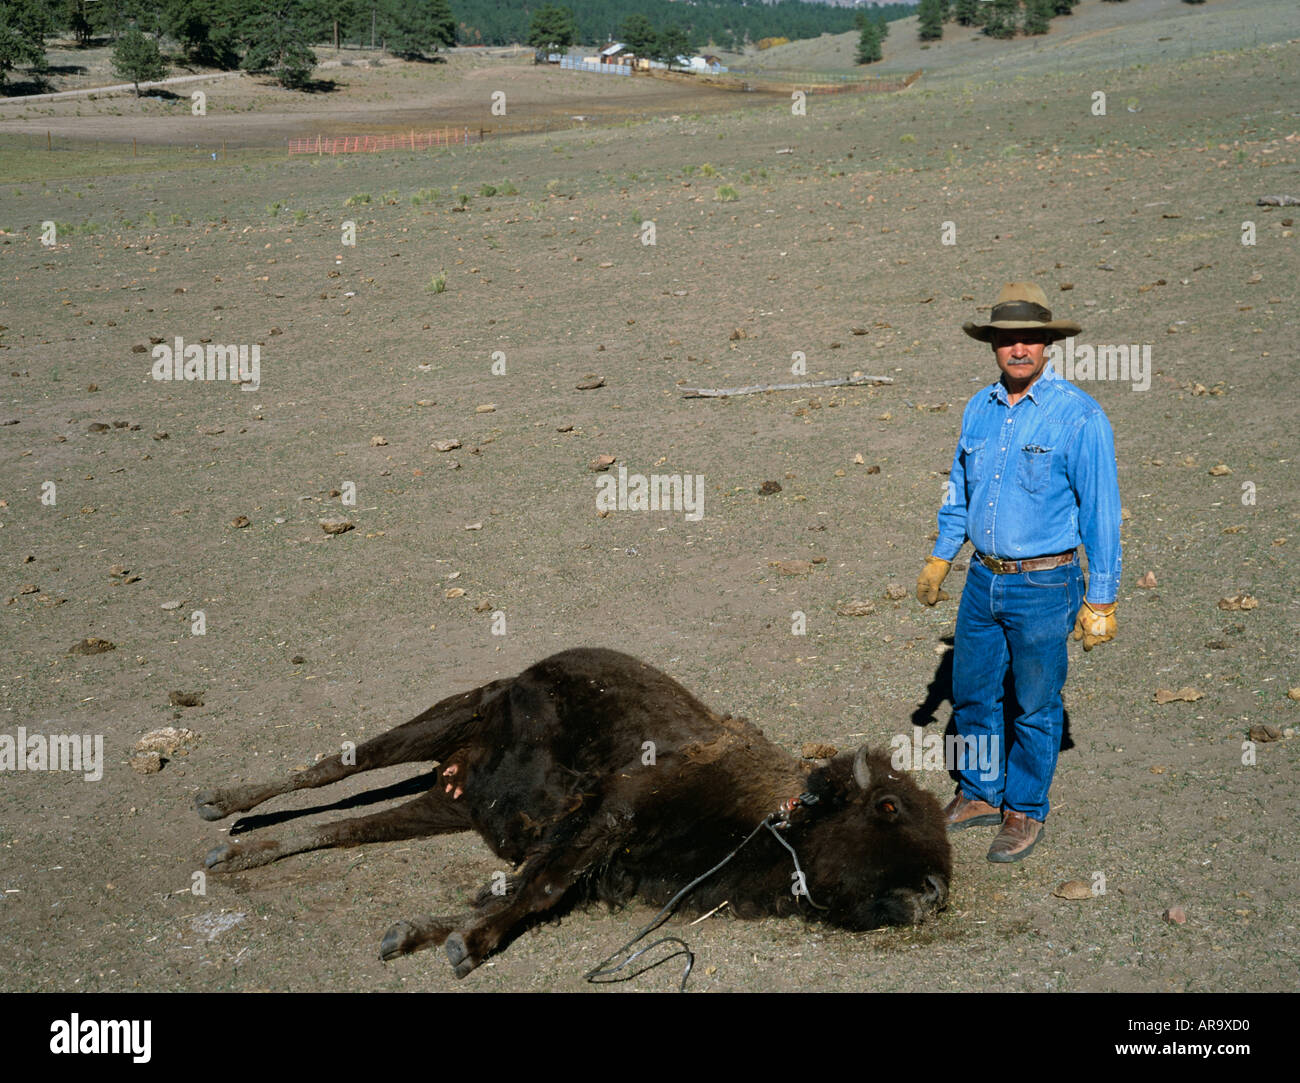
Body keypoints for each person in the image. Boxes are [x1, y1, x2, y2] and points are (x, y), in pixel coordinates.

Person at [916, 282, 1122, 862]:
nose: (1019, 349)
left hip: (1045, 583)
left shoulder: (1078, 417)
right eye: (1007, 340)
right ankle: (981, 794)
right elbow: (960, 490)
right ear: (993, 346)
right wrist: (941, 556)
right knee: (974, 694)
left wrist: (1100, 599)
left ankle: (1024, 809)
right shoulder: (978, 409)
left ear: (1049, 344)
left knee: (1034, 703)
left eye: (1030, 339)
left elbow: (1102, 514)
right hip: (983, 578)